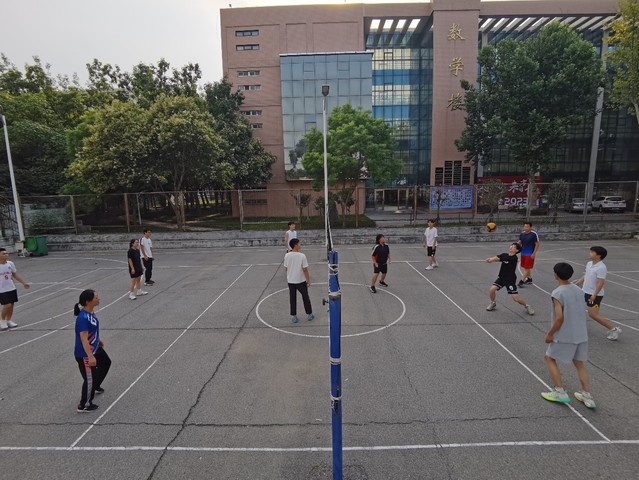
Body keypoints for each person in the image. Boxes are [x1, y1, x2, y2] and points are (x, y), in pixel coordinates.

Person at [541, 262, 596, 408]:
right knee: (579, 363)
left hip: (565, 335)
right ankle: (587, 395)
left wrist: (550, 334)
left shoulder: (557, 293)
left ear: (556, 275)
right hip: (581, 333)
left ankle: (559, 392)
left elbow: (559, 318)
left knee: (549, 358)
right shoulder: (578, 290)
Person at [74, 289, 112, 412]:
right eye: (96, 297)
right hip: (85, 353)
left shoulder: (90, 312)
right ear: (88, 301)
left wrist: (98, 340)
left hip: (95, 347)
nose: (98, 298)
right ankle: (84, 404)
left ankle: (95, 385)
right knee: (89, 378)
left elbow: (92, 330)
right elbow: (84, 339)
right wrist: (90, 356)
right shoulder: (83, 318)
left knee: (106, 362)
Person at [573, 246, 621, 341]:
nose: (590, 253)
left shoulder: (601, 267)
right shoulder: (589, 264)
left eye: (592, 252)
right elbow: (586, 275)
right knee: (577, 307)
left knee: (593, 314)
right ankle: (577, 326)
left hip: (594, 295)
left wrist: (594, 295)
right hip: (584, 291)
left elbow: (600, 282)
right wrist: (577, 283)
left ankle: (614, 329)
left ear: (599, 255)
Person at [485, 243, 535, 315]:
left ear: (517, 250)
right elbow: (497, 257)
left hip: (510, 280)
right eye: (511, 246)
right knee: (492, 289)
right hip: (502, 278)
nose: (511, 247)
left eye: (513, 247)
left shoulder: (514, 258)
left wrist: (493, 259)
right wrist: (490, 259)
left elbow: (499, 258)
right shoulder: (504, 255)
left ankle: (527, 306)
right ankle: (493, 303)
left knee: (515, 298)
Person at [283, 238, 313, 323]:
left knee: (292, 298)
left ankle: (294, 316)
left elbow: (286, 268)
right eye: (299, 243)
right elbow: (305, 270)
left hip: (291, 281)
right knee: (305, 297)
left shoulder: (287, 255)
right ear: (295, 245)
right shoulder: (302, 256)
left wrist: (290, 274)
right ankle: (309, 314)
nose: (300, 245)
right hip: (300, 280)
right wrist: (308, 281)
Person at [0, 247, 30, 330]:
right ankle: (2, 321)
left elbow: (14, 274)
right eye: (3, 254)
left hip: (11, 287)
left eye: (7, 253)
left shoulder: (10, 263)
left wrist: (23, 283)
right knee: (7, 305)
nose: (6, 255)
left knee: (12, 305)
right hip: (1, 289)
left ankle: (8, 320)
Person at [517, 222, 539, 287]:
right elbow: (520, 242)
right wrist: (514, 246)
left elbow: (537, 244)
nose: (525, 228)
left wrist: (534, 253)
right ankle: (529, 279)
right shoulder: (522, 234)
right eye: (525, 227)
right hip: (523, 253)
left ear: (530, 227)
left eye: (527, 227)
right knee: (526, 267)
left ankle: (522, 281)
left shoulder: (534, 234)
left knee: (526, 267)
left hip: (530, 254)